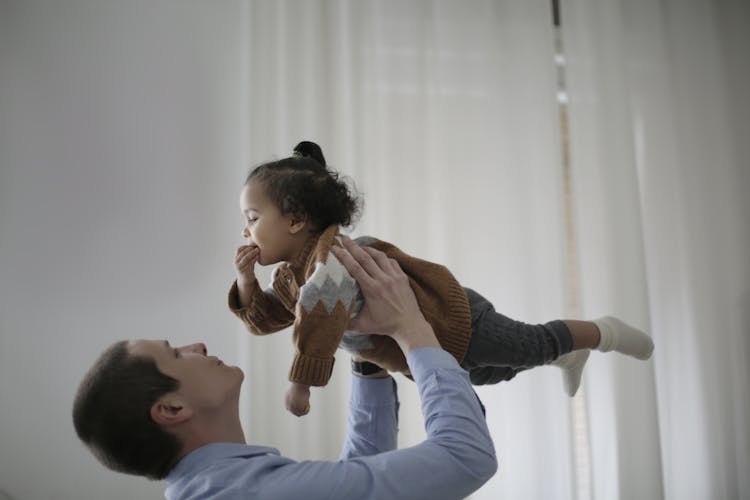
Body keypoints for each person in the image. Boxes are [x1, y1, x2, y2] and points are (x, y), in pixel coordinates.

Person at [231, 141, 655, 416]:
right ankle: (565, 356)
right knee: (495, 374)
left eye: (252, 218)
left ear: (296, 220)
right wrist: (248, 282)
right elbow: (266, 319)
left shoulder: (332, 259)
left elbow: (319, 319)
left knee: (531, 344)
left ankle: (604, 333)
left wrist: (300, 385)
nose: (246, 230)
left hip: (457, 321)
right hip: (426, 354)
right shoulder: (291, 278)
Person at [72, 239, 498, 499]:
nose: (196, 345)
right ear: (171, 409)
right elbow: (465, 459)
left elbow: (359, 478)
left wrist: (365, 353)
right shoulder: (253, 493)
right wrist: (411, 328)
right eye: (176, 353)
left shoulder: (227, 486)